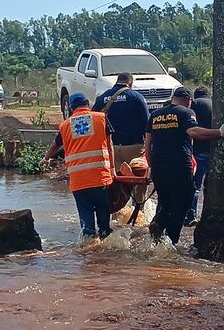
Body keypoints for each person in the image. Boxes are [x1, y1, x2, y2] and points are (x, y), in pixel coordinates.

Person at [145, 87, 224, 246]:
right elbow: (193, 132)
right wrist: (219, 133)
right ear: (188, 101)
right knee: (184, 200)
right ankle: (171, 242)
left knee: (165, 200)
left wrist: (152, 167)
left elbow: (147, 144)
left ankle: (159, 224)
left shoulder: (155, 115)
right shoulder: (186, 113)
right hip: (179, 165)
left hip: (159, 166)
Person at [41, 92, 116, 239]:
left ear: (70, 107)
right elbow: (110, 145)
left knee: (87, 228)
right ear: (87, 103)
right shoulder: (101, 118)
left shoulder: (65, 125)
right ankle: (105, 254)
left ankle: (87, 255)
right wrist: (113, 170)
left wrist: (46, 158)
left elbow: (55, 146)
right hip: (101, 178)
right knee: (104, 226)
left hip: (79, 182)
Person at [92, 72, 150, 209]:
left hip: (111, 148)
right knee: (139, 181)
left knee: (116, 182)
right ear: (130, 83)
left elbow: (93, 118)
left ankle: (117, 214)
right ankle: (139, 211)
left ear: (116, 82)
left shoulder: (103, 98)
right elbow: (147, 124)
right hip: (135, 147)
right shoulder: (136, 97)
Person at [186, 86, 212, 227]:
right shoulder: (213, 104)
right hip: (213, 151)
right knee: (209, 186)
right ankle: (208, 214)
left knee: (195, 186)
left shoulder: (195, 104)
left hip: (198, 151)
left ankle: (191, 215)